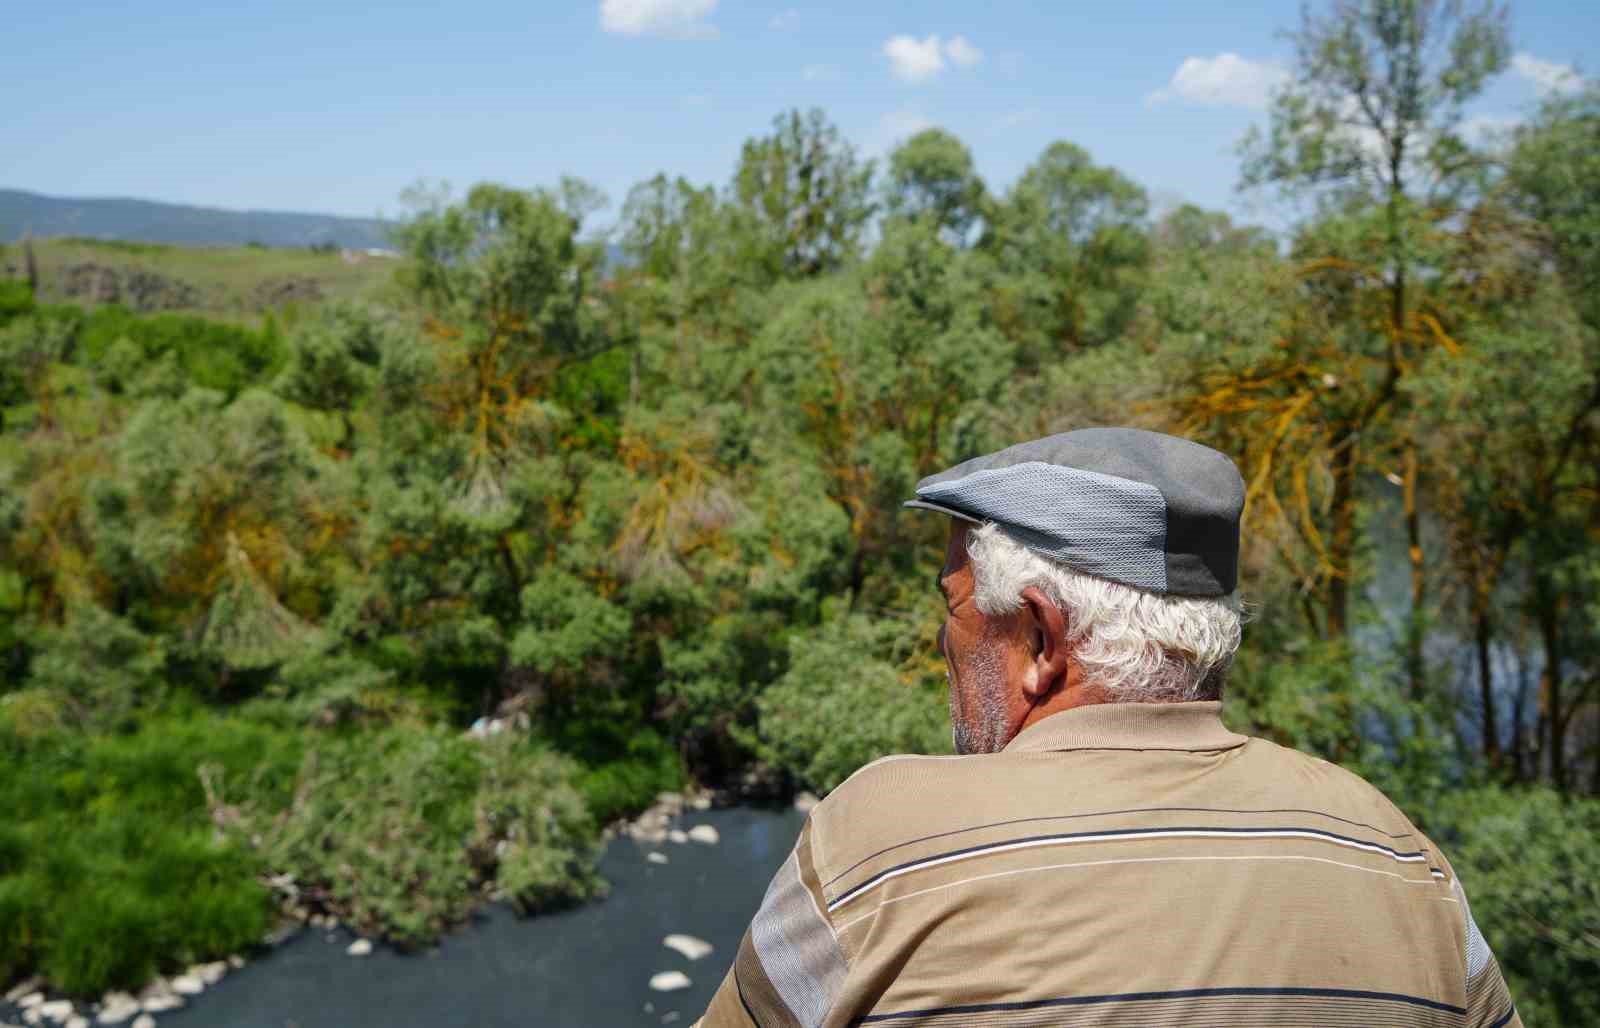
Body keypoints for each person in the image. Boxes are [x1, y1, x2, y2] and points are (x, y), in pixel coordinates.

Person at [695, 427, 1520, 1028]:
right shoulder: (1401, 858)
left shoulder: (875, 842)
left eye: (950, 606)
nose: (941, 642)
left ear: (1042, 640)